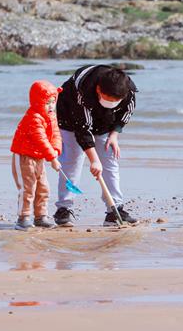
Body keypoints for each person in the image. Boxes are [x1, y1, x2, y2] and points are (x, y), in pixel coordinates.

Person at [54, 64, 138, 227]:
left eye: (116, 101)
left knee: (110, 162)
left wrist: (114, 134)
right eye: (108, 99)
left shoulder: (128, 91)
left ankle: (115, 210)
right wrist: (93, 159)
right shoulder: (83, 89)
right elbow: (82, 128)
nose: (112, 102)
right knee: (72, 161)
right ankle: (64, 208)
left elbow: (127, 112)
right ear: (99, 89)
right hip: (70, 117)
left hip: (105, 121)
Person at [10, 80, 62, 230]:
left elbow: (55, 135)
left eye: (53, 102)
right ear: (38, 102)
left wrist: (56, 152)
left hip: (39, 158)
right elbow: (40, 139)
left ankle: (40, 216)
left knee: (43, 187)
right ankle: (23, 217)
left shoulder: (51, 116)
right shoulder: (33, 118)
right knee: (27, 188)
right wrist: (51, 158)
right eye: (47, 103)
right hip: (24, 156)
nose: (51, 106)